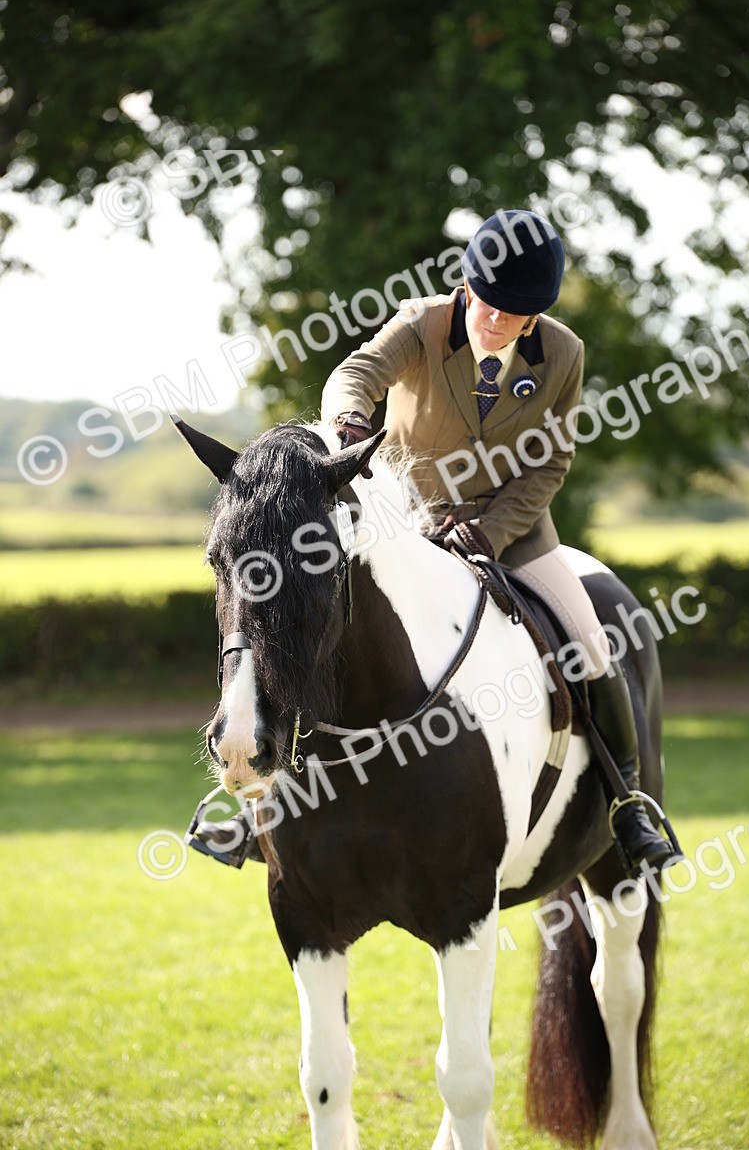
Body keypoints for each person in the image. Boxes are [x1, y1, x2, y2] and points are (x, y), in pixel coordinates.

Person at [191, 209, 678, 875]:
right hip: (408, 522)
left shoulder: (563, 352)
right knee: (309, 628)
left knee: (594, 644)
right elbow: (356, 373)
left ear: (536, 317)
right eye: (489, 303)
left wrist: (493, 530)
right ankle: (253, 813)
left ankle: (628, 803)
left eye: (517, 314)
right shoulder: (422, 323)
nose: (497, 321)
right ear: (466, 286)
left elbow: (550, 464)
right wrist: (349, 420)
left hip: (513, 531)